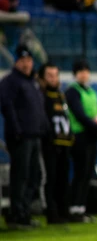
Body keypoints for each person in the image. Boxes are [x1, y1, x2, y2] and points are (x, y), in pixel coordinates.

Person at [0, 46, 49, 229]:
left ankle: (25, 212)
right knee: (20, 176)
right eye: (23, 61)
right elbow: (7, 106)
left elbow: (39, 108)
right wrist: (17, 130)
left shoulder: (32, 82)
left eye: (29, 60)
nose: (27, 64)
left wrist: (44, 128)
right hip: (21, 137)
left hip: (35, 135)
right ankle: (16, 214)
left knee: (34, 176)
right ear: (16, 62)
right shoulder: (10, 81)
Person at [66, 60, 97, 223]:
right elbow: (80, 115)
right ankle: (73, 208)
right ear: (75, 74)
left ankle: (81, 208)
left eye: (86, 71)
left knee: (87, 172)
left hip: (92, 136)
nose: (84, 74)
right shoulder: (72, 91)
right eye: (80, 71)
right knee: (80, 172)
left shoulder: (91, 92)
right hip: (79, 136)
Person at [38, 63, 74, 224]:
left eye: (55, 75)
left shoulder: (61, 95)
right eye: (49, 76)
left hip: (64, 142)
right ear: (42, 78)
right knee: (50, 178)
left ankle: (64, 210)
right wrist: (49, 138)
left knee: (63, 178)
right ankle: (52, 213)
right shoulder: (42, 97)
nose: (53, 79)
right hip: (50, 144)